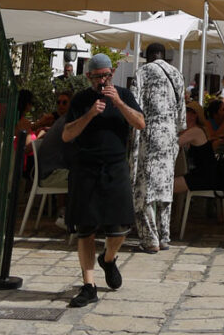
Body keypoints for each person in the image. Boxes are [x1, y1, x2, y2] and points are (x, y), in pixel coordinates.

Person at [62, 53, 145, 308]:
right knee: (85, 229)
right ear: (88, 77)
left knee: (120, 226)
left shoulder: (123, 95)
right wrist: (89, 115)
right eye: (98, 76)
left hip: (115, 166)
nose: (103, 80)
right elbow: (66, 135)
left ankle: (108, 259)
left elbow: (140, 123)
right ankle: (89, 286)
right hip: (85, 169)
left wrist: (118, 103)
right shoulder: (81, 100)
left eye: (107, 75)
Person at [130, 42, 186, 253]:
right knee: (165, 189)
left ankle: (150, 238)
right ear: (164, 56)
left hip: (148, 135)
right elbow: (182, 116)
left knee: (144, 189)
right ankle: (164, 236)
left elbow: (134, 106)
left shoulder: (142, 73)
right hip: (170, 137)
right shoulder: (177, 74)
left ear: (147, 56)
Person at [33, 90, 73, 228]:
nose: (60, 105)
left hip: (55, 169)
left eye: (64, 102)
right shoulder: (67, 123)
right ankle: (71, 217)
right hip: (50, 175)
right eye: (59, 102)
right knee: (86, 176)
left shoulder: (63, 121)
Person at [174, 105, 222, 195]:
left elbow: (172, 145)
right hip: (202, 174)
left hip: (205, 177)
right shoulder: (192, 131)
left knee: (163, 186)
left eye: (184, 111)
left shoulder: (196, 131)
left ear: (194, 115)